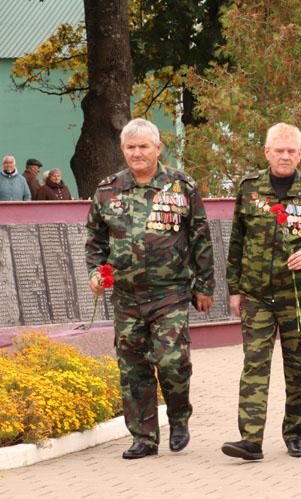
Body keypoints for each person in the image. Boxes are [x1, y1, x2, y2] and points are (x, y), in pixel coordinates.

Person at [85, 118, 215, 459]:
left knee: (171, 360)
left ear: (158, 148)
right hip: (126, 296)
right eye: (131, 147)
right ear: (123, 150)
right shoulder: (107, 190)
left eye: (144, 146)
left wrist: (204, 285)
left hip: (169, 292)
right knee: (133, 367)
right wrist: (97, 275)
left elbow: (200, 237)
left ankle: (179, 417)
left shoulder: (181, 186)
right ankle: (143, 437)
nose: (137, 153)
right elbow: (96, 242)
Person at [222, 123, 301, 461]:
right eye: (279, 150)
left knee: (298, 368)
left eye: (291, 151)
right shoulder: (249, 189)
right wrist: (234, 289)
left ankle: (294, 432)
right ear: (267, 152)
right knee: (255, 365)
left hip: (297, 298)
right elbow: (236, 242)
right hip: (257, 296)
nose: (285, 156)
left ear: (299, 154)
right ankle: (250, 440)